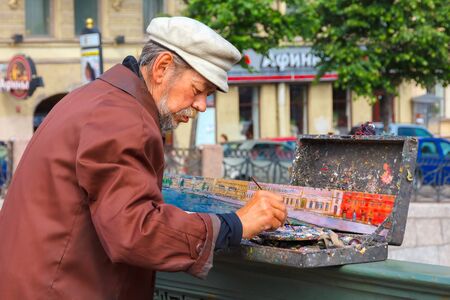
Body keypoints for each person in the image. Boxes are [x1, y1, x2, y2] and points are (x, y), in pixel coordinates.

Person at [0, 17, 287, 299]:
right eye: (199, 90)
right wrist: (234, 224)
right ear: (162, 67)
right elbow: (134, 230)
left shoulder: (95, 97)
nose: (201, 105)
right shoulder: (123, 118)